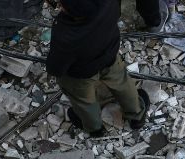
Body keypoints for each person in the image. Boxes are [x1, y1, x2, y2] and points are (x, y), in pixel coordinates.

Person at [46, 0, 149, 138]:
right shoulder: (109, 4)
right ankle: (137, 116)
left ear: (69, 11)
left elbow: (55, 68)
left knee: (85, 101)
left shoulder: (65, 33)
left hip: (81, 73)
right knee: (123, 84)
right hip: (109, 56)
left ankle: (94, 128)